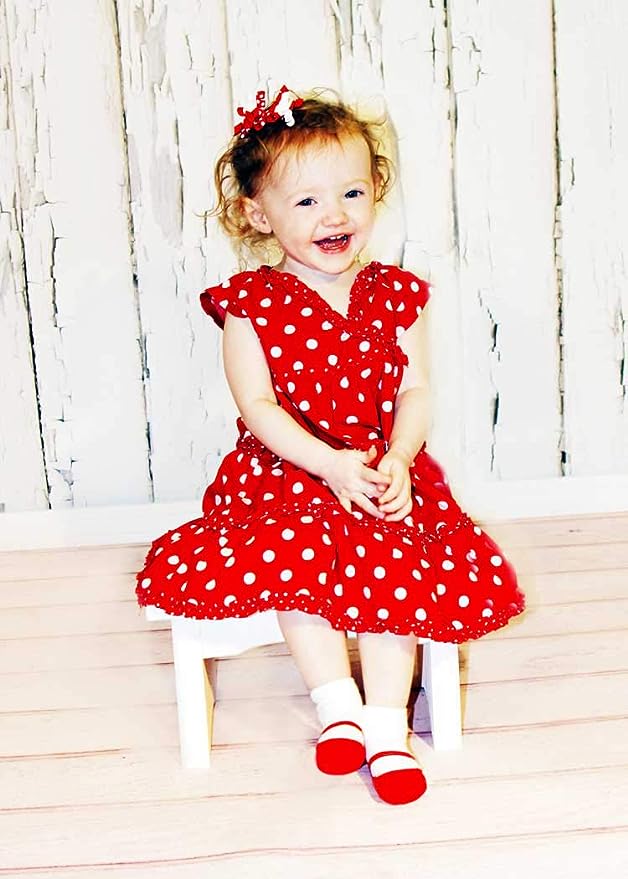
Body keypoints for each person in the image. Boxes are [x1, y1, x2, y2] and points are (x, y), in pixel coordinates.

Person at [136, 85, 525, 805]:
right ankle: (335, 703)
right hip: (288, 469)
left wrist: (400, 456)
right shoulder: (250, 307)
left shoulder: (395, 293)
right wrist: (323, 462)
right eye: (307, 201)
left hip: (378, 464)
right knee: (295, 554)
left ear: (376, 191)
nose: (335, 213)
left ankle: (386, 727)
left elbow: (415, 389)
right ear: (258, 214)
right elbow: (257, 408)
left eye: (351, 191)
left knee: (396, 569)